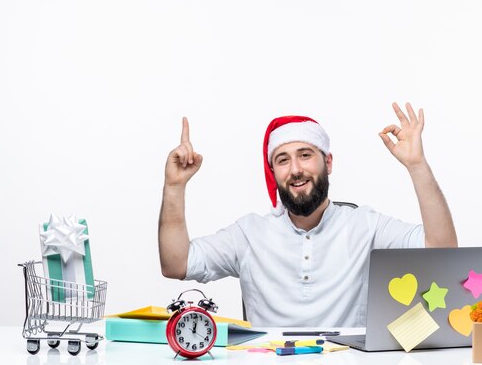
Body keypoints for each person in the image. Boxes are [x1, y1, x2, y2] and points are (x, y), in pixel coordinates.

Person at [158, 102, 457, 327]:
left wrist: (416, 165)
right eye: (283, 160)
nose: (296, 169)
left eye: (305, 155)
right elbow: (176, 263)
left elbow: (442, 251)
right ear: (273, 172)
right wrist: (174, 186)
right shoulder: (249, 233)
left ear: (327, 162)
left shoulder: (365, 225)